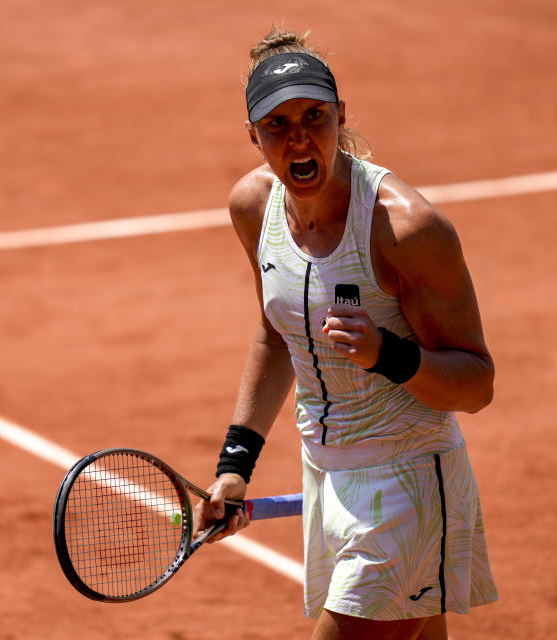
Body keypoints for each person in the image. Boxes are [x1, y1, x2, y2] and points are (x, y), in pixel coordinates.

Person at [194, 27, 499, 640]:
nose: (300, 138)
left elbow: (477, 384)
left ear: (342, 116)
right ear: (252, 135)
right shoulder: (253, 208)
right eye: (276, 125)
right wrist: (236, 464)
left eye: (315, 116)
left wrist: (388, 354)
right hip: (329, 477)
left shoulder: (405, 230)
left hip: (410, 481)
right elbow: (277, 333)